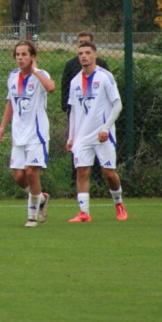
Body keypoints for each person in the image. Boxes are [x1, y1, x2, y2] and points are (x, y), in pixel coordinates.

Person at [66, 41, 127, 223]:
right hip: (82, 135)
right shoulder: (75, 81)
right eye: (80, 53)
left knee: (109, 173)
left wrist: (106, 128)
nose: (83, 56)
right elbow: (74, 111)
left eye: (87, 53)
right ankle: (84, 212)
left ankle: (119, 203)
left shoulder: (105, 76)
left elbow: (118, 104)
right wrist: (71, 137)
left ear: (95, 55)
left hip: (102, 133)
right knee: (82, 171)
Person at [0, 41, 55, 227]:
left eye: (24, 54)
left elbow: (51, 87)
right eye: (18, 54)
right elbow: (10, 104)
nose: (20, 58)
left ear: (32, 57)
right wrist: (2, 127)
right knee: (19, 176)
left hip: (36, 134)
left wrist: (36, 71)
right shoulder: (12, 76)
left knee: (31, 172)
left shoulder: (41, 75)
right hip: (18, 134)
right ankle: (41, 198)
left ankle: (32, 216)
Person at [61, 32, 110, 185]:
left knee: (98, 145)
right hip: (78, 111)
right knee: (76, 144)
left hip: (97, 114)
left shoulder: (102, 66)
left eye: (86, 44)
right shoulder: (71, 65)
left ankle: (97, 180)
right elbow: (65, 87)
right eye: (80, 43)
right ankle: (75, 179)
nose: (84, 54)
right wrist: (67, 108)